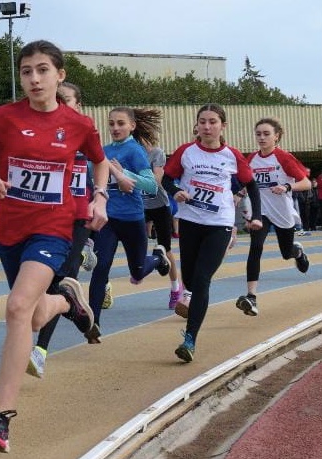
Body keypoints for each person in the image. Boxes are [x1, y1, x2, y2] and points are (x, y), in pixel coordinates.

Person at [0, 40, 109, 453]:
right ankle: (66, 300)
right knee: (31, 317)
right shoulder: (4, 117)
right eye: (26, 71)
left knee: (16, 307)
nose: (34, 78)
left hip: (53, 229)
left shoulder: (78, 124)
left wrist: (100, 197)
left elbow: (100, 160)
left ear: (59, 75)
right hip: (11, 230)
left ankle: (1, 418)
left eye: (43, 70)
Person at [162, 103, 263, 363]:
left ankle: (190, 340)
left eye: (213, 122)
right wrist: (176, 192)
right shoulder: (186, 151)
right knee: (191, 279)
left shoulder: (232, 155)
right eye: (203, 122)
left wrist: (257, 216)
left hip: (219, 223)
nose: (207, 127)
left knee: (202, 279)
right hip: (190, 221)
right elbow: (166, 179)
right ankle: (193, 305)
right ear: (197, 125)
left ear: (222, 126)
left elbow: (251, 185)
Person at [26, 81, 97, 379]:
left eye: (65, 99)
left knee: (58, 282)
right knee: (40, 289)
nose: (59, 103)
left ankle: (40, 351)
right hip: (47, 219)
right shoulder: (42, 133)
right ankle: (73, 306)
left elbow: (99, 168)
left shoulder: (84, 132)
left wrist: (100, 199)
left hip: (78, 219)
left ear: (78, 105)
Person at [88, 106, 170, 343]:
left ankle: (158, 258)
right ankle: (93, 323)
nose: (115, 128)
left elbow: (151, 186)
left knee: (137, 271)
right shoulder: (104, 151)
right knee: (101, 268)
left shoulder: (135, 151)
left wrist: (123, 173)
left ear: (132, 126)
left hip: (132, 218)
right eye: (111, 123)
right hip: (109, 219)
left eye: (121, 123)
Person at [235, 118, 311, 317]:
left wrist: (287, 186)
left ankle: (297, 252)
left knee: (286, 252)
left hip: (282, 211)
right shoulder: (252, 158)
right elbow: (248, 183)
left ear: (276, 136)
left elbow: (306, 183)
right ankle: (251, 296)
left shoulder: (284, 158)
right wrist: (239, 195)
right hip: (260, 211)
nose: (262, 137)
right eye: (258, 134)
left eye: (266, 134)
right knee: (255, 247)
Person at [139, 130, 182, 310]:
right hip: (140, 206)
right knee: (136, 245)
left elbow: (156, 180)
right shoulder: (131, 152)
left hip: (159, 206)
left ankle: (175, 288)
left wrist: (131, 178)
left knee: (166, 248)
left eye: (142, 138)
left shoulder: (157, 153)